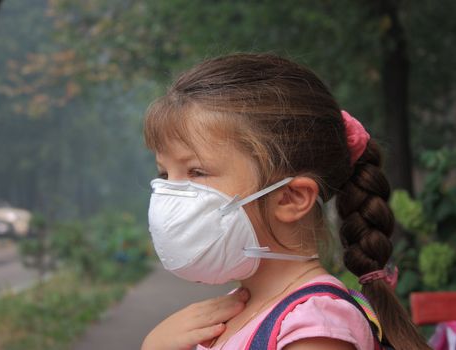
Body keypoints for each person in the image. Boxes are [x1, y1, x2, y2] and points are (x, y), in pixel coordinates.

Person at [141, 53, 429, 350]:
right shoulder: (230, 312)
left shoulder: (316, 329)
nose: (169, 196)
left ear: (291, 198)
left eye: (196, 172)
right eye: (165, 174)